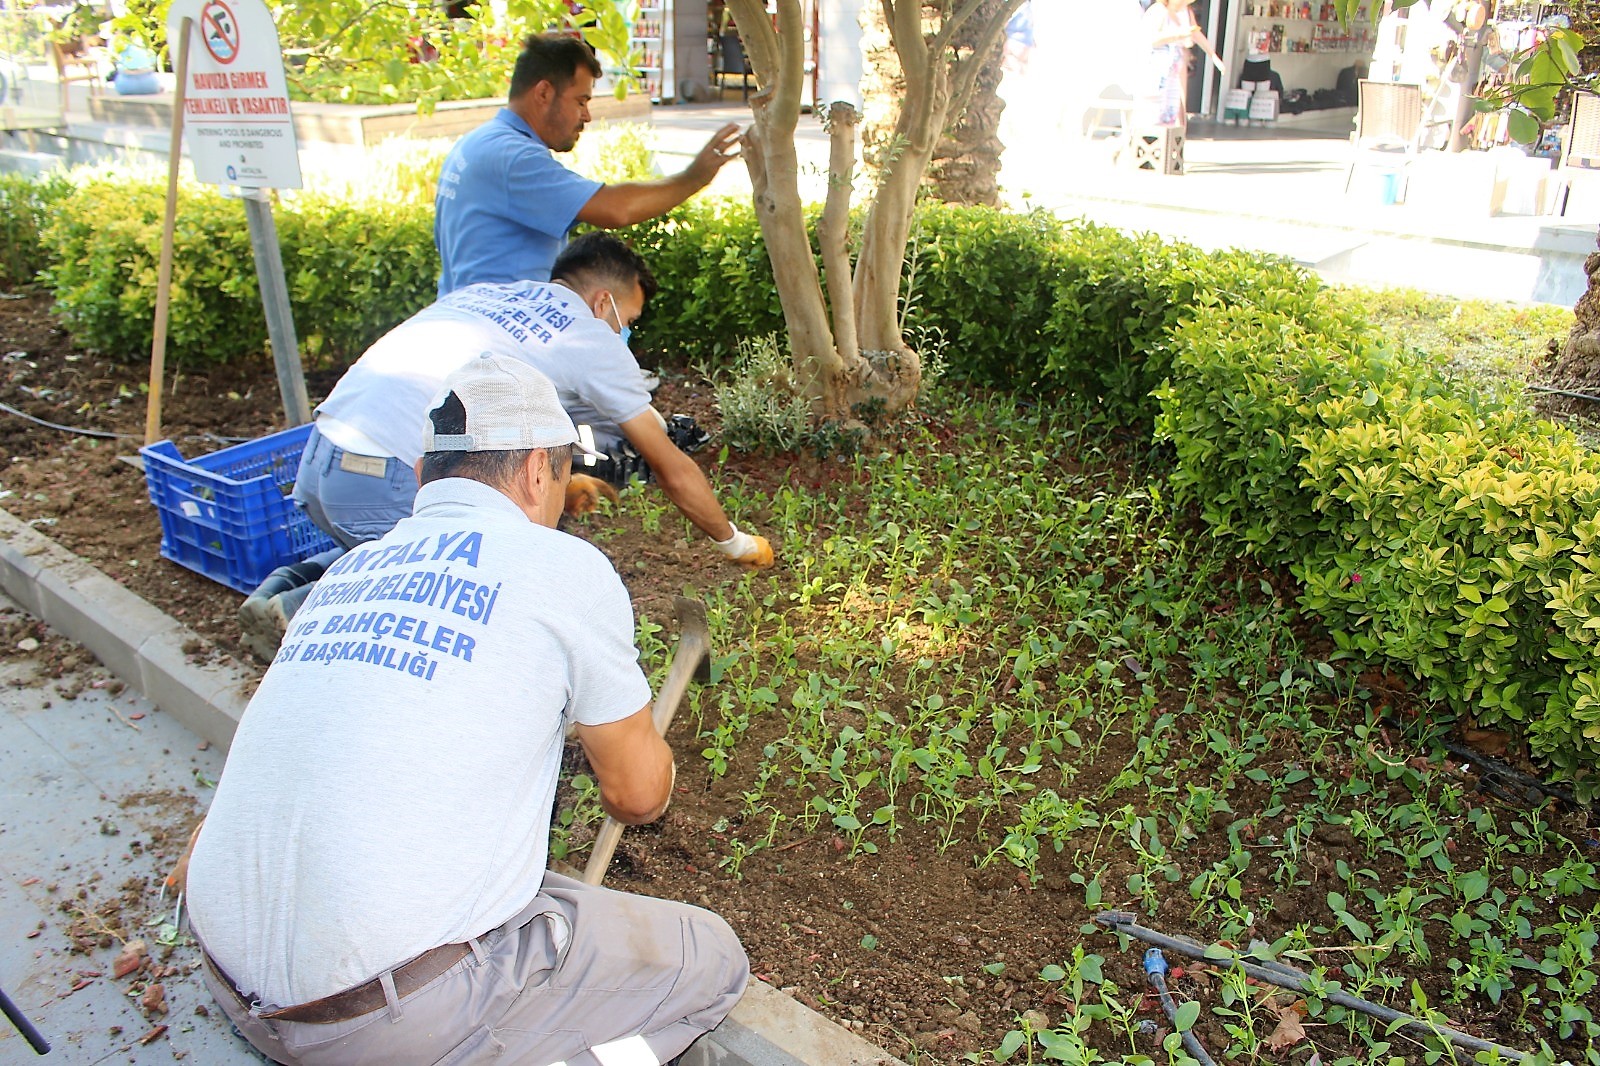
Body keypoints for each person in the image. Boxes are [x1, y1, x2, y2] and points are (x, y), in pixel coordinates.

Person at [186, 354, 750, 1066]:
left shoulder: (343, 574)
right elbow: (636, 797)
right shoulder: (560, 568)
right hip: (375, 1021)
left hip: (226, 971)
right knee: (711, 962)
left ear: (423, 477)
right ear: (538, 472)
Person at [235, 233, 773, 663]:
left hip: (324, 460)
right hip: (391, 474)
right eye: (628, 322)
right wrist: (733, 542)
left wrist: (571, 480)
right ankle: (300, 613)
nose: (625, 334)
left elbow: (509, 432)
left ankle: (280, 593)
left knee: (389, 545)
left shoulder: (489, 295)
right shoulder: (588, 337)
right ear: (602, 302)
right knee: (463, 580)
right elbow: (669, 464)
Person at [434, 33, 743, 296]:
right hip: (498, 345)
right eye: (581, 101)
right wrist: (695, 177)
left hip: (473, 328)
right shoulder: (514, 157)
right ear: (543, 92)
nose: (587, 116)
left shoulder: (478, 142)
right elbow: (614, 209)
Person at [1142, 0, 1222, 128]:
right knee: (1156, 106)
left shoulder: (1186, 11)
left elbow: (1196, 34)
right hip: (1158, 63)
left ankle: (1174, 133)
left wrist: (1213, 56)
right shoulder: (1159, 10)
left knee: (1175, 102)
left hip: (1176, 61)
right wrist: (1179, 35)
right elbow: (1151, 39)